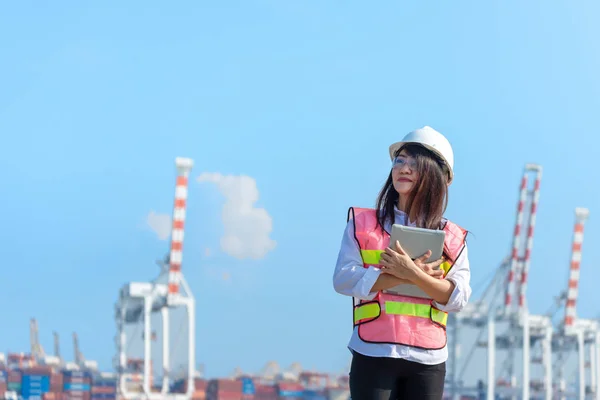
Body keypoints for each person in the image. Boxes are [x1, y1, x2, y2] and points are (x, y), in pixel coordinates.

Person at [332, 126, 471, 400]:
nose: (404, 168)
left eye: (414, 162)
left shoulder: (453, 238)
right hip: (373, 352)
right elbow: (343, 279)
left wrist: (415, 275)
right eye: (400, 160)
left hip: (428, 360)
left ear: (440, 176)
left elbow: (458, 298)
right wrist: (402, 275)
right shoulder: (362, 225)